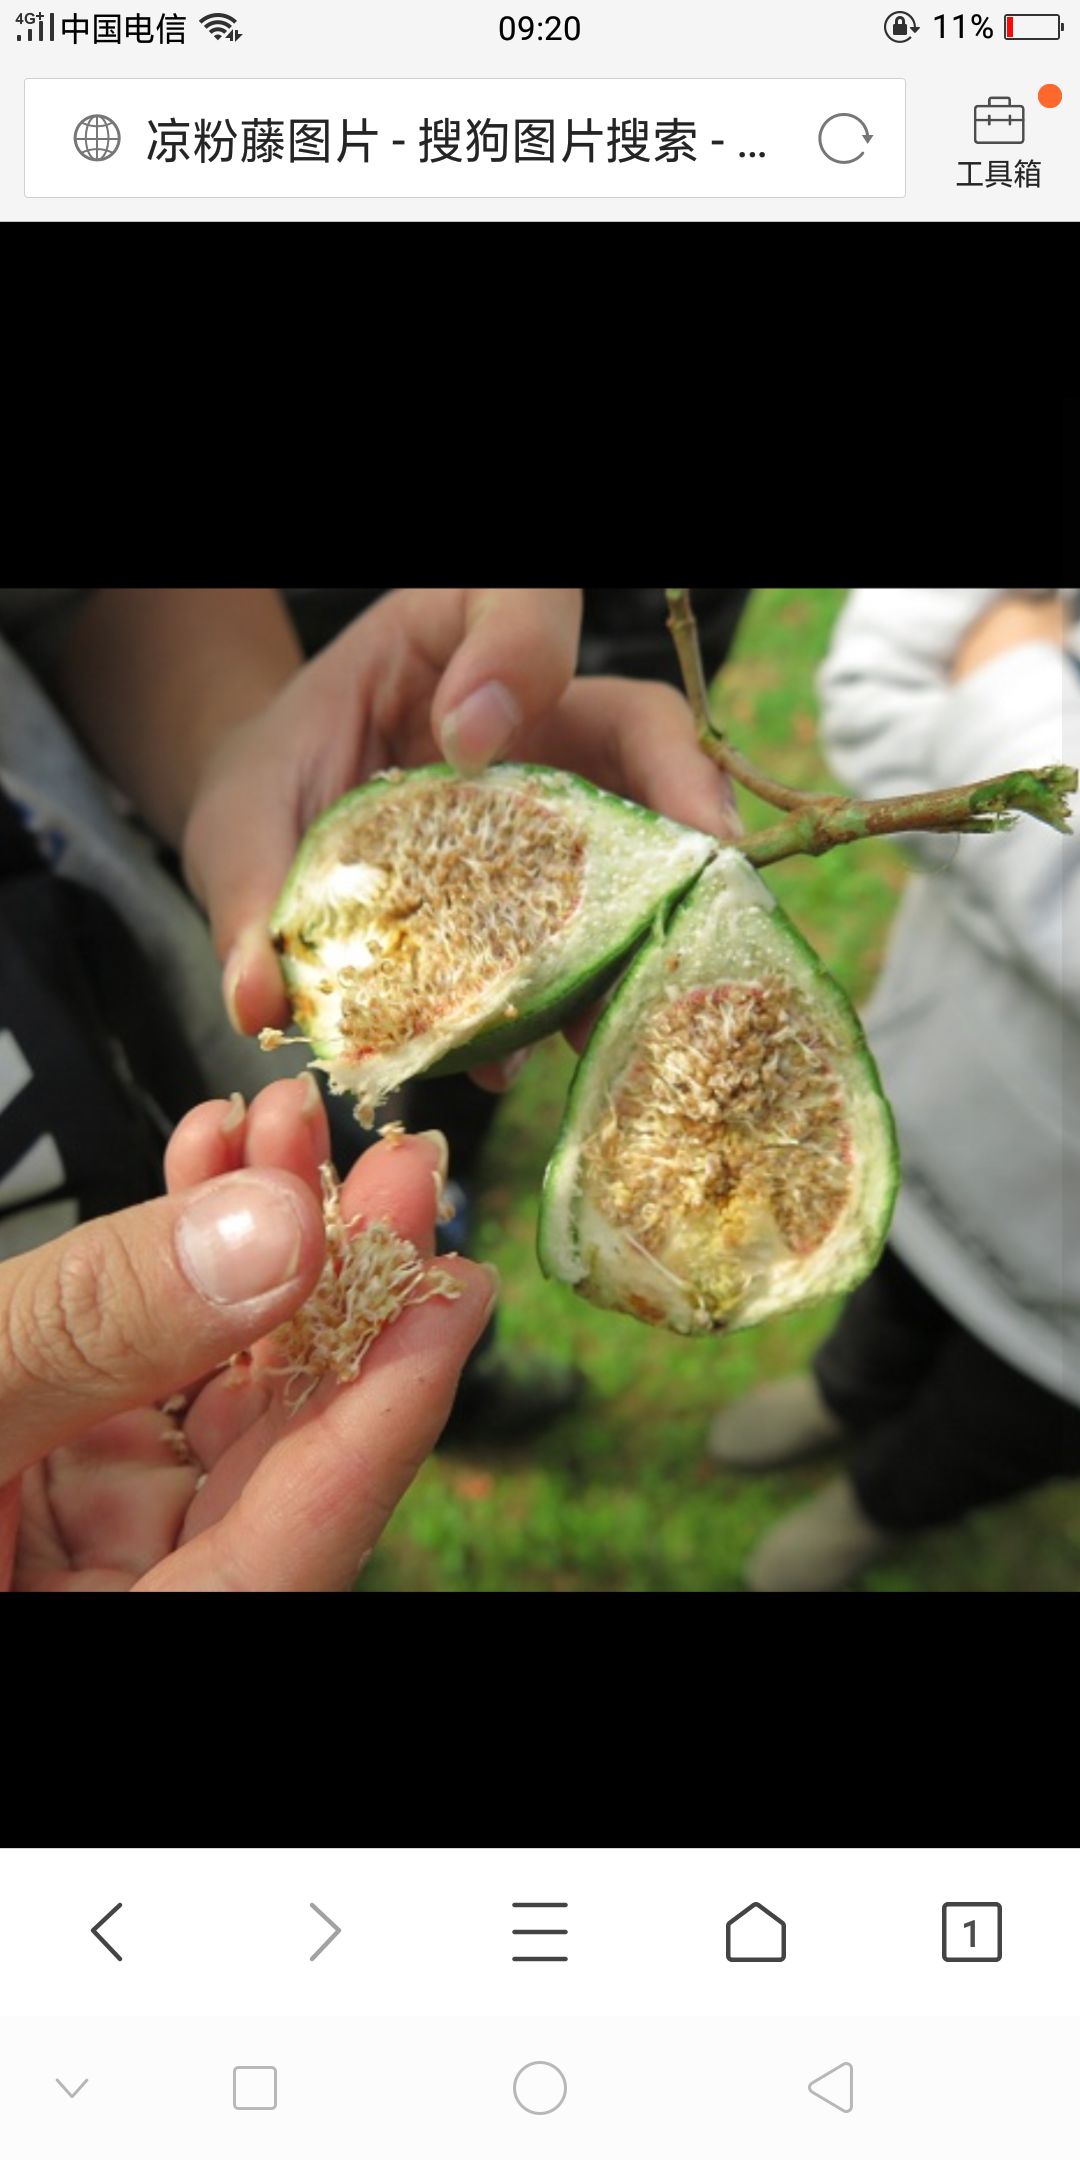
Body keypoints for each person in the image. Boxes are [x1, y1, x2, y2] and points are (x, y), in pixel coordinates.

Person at [0, 588, 741, 1589]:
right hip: (114, 1472)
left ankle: (465, 1393)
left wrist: (238, 746)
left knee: (390, 1264)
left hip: (214, 1105)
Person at [707, 589, 1079, 1591]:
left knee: (1002, 1421)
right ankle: (844, 1395)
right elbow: (878, 688)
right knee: (895, 1297)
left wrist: (1003, 674)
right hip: (947, 1118)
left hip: (1065, 1332)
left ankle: (880, 1505)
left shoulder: (1012, 668)